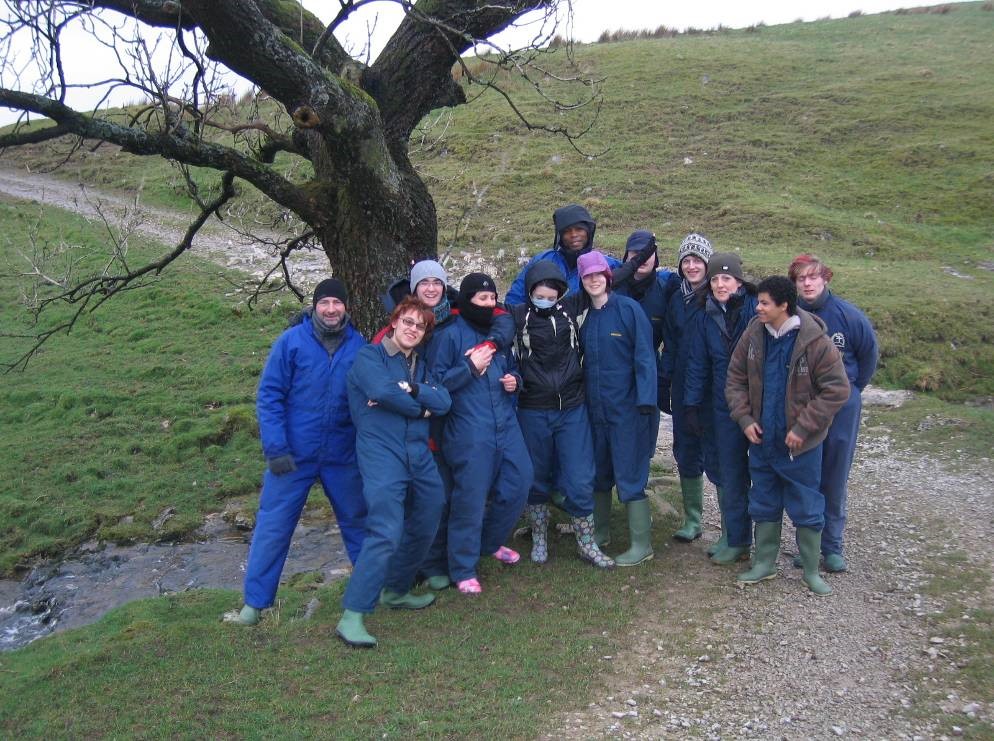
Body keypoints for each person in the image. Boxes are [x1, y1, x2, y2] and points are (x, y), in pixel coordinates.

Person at [228, 278, 367, 626]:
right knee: (274, 527)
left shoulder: (359, 346)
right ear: (315, 306)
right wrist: (275, 448)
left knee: (359, 523)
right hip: (292, 456)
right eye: (325, 303)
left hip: (342, 454)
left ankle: (370, 591)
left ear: (346, 307)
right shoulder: (291, 342)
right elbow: (269, 396)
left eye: (338, 303)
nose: (331, 309)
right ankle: (254, 605)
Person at [335, 297, 452, 648]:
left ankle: (397, 589)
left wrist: (414, 391)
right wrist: (420, 410)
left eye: (420, 326)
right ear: (395, 321)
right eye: (408, 321)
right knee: (385, 529)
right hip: (381, 455)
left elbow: (444, 401)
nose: (413, 329)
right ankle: (352, 615)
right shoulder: (370, 357)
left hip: (418, 454)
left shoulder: (420, 365)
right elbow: (379, 389)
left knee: (431, 510)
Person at [725, 276, 850, 596]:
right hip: (762, 443)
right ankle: (764, 564)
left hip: (801, 447)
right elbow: (734, 380)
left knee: (808, 506)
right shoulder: (753, 334)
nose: (758, 307)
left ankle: (810, 571)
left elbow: (837, 390)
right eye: (759, 302)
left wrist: (803, 427)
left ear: (784, 306)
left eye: (765, 302)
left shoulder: (815, 341)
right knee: (763, 502)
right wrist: (744, 419)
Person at [427, 273, 533, 594]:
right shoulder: (449, 337)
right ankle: (462, 568)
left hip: (505, 422)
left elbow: (512, 367)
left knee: (520, 482)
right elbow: (436, 387)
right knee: (469, 499)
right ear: (467, 301)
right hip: (468, 429)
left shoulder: (497, 335)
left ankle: (490, 542)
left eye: (492, 299)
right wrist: (469, 367)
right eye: (481, 299)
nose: (488, 305)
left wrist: (516, 380)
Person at [510, 260, 615, 568]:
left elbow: (605, 279)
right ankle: (539, 536)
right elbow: (482, 317)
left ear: (559, 294)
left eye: (551, 295)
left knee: (580, 477)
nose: (545, 300)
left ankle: (587, 543)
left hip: (571, 407)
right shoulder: (516, 317)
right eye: (539, 295)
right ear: (530, 292)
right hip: (533, 408)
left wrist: (640, 260)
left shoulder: (570, 309)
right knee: (536, 476)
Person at [788, 254, 879, 573]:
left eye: (813, 277)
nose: (808, 283)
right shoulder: (790, 317)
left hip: (841, 407)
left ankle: (833, 547)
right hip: (802, 406)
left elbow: (868, 358)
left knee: (835, 474)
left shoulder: (849, 316)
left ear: (825, 278)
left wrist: (850, 391)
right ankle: (809, 546)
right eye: (801, 279)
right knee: (806, 476)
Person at [577, 251, 659, 566]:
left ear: (608, 277)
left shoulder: (629, 310)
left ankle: (642, 544)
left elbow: (644, 357)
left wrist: (646, 403)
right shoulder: (584, 316)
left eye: (599, 274)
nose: (594, 280)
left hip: (628, 409)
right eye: (587, 276)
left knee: (629, 473)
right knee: (598, 472)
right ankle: (600, 532)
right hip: (594, 409)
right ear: (582, 281)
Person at [684, 253, 757, 565]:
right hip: (719, 402)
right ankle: (732, 536)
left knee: (749, 472)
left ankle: (744, 540)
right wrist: (691, 404)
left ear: (738, 281)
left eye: (726, 278)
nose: (719, 284)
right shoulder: (704, 315)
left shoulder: (754, 310)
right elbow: (698, 363)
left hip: (753, 402)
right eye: (714, 279)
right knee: (724, 469)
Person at [659, 233, 722, 545]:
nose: (692, 265)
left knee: (721, 453)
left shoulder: (720, 297)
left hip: (714, 388)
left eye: (698, 260)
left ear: (707, 263)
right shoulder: (676, 300)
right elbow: (669, 345)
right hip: (683, 386)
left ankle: (732, 528)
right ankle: (693, 519)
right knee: (685, 449)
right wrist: (664, 380)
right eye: (687, 260)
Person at [505, 204, 621, 305]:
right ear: (559, 235)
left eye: (579, 229)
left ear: (588, 232)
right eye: (567, 231)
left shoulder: (607, 264)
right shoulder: (542, 260)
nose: (573, 234)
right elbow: (516, 297)